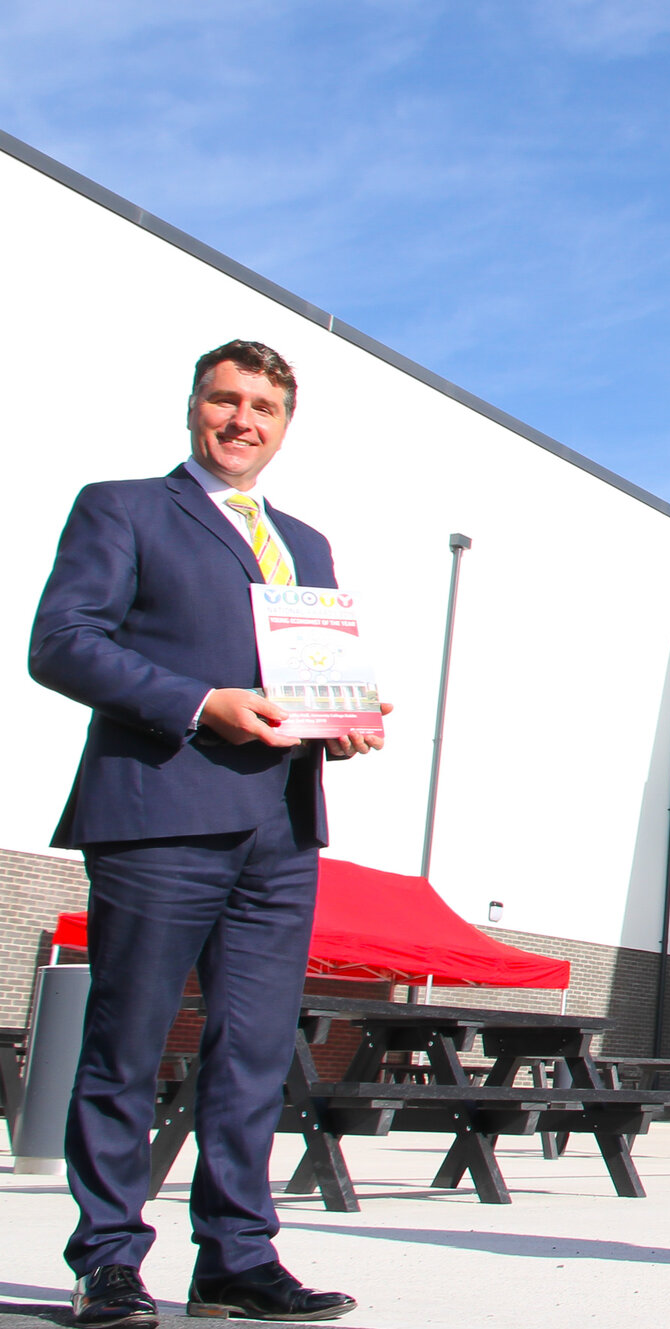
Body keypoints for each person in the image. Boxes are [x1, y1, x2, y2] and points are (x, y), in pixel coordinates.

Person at [30, 341, 384, 1328]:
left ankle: (235, 1257)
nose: (243, 420)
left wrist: (338, 725)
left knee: (255, 1050)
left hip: (281, 825)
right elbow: (61, 644)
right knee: (127, 1045)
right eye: (226, 400)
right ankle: (107, 1260)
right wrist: (201, 703)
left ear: (284, 425)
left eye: (264, 406)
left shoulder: (306, 544)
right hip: (159, 814)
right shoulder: (124, 507)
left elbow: (303, 677)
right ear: (195, 407)